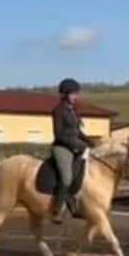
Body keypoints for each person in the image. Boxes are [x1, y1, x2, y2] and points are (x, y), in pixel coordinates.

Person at [51, 77, 92, 223]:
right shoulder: (58, 111)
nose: (76, 96)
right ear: (66, 94)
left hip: (75, 145)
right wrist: (77, 144)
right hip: (62, 147)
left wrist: (88, 141)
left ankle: (77, 205)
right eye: (74, 94)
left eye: (77, 94)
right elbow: (59, 134)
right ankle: (56, 210)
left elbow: (77, 131)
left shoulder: (73, 110)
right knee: (67, 177)